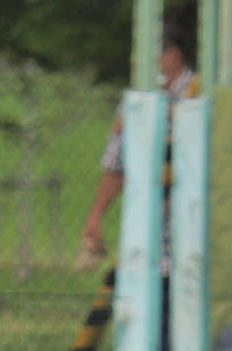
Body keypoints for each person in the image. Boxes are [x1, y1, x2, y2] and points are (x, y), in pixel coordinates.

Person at [74, 29, 199, 274]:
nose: (140, 66)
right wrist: (95, 217)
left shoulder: (199, 94)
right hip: (150, 230)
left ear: (172, 56)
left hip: (193, 228)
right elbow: (115, 164)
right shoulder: (136, 102)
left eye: (148, 58)